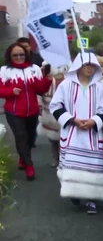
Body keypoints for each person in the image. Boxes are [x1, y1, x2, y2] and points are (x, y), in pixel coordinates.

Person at [50, 53, 103, 214]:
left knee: (94, 167)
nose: (90, 68)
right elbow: (55, 106)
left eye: (93, 66)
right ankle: (74, 191)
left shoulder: (98, 87)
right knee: (72, 165)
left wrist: (93, 121)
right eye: (87, 65)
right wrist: (73, 120)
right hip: (72, 133)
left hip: (92, 135)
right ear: (79, 66)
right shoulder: (66, 85)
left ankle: (92, 200)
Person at [0, 43, 52, 180]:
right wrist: (11, 91)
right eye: (15, 55)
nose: (18, 57)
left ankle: (23, 158)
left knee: (29, 138)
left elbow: (41, 89)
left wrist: (47, 80)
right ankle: (29, 166)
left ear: (26, 55)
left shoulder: (34, 69)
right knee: (21, 136)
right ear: (10, 56)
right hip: (14, 111)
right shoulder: (5, 70)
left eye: (21, 54)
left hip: (33, 110)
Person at [37, 63, 67, 167]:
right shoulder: (46, 77)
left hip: (65, 113)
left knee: (65, 138)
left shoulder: (69, 78)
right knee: (53, 138)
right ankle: (56, 157)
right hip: (49, 113)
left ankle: (64, 158)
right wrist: (39, 104)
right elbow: (39, 92)